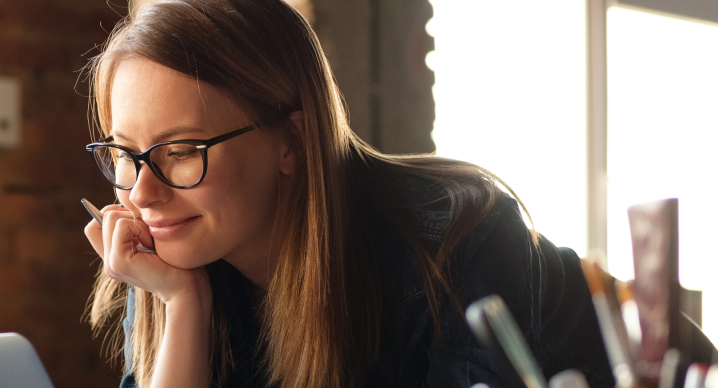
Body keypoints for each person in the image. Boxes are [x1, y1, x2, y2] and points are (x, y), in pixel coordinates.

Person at [80, 0, 615, 387]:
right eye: (125, 154)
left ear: (293, 139)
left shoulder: (456, 240)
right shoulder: (170, 259)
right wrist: (184, 303)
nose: (143, 192)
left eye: (181, 151)